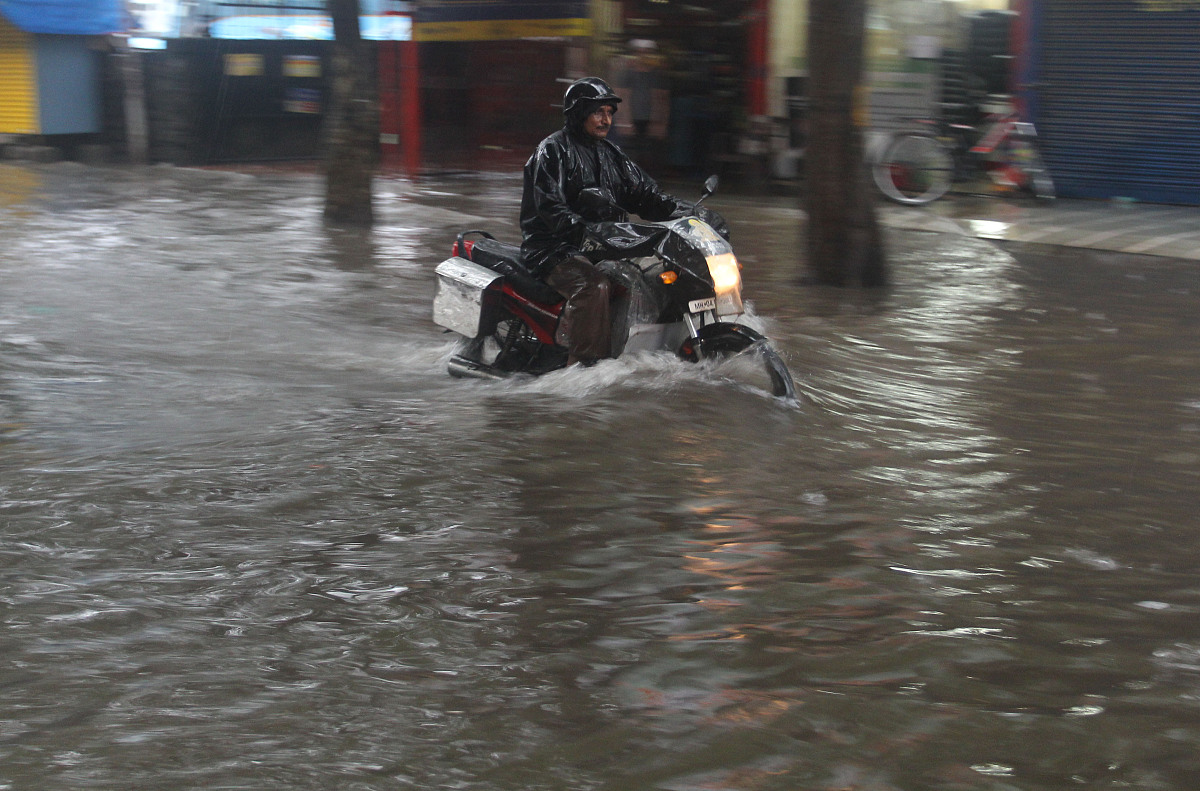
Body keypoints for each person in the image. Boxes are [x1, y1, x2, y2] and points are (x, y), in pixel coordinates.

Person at [520, 77, 727, 367]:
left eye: (608, 113)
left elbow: (648, 197)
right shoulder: (552, 151)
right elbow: (551, 209)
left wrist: (692, 214)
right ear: (579, 113)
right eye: (598, 112)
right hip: (553, 249)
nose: (605, 120)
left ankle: (632, 351)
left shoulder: (611, 155)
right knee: (594, 286)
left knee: (647, 280)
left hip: (601, 245)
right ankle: (583, 368)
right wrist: (585, 233)